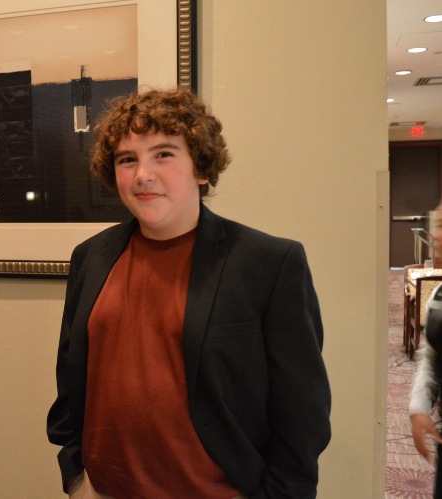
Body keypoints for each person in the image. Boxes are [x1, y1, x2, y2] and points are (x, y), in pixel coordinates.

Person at [46, 87, 332, 498]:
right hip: (101, 489)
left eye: (163, 154)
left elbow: (303, 413)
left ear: (200, 166)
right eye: (128, 160)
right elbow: (70, 376)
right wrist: (76, 475)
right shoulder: (91, 256)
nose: (143, 174)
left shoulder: (268, 263)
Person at [409, 202, 442, 498]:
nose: (436, 235)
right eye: (437, 225)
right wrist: (419, 407)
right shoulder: (438, 296)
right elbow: (432, 356)